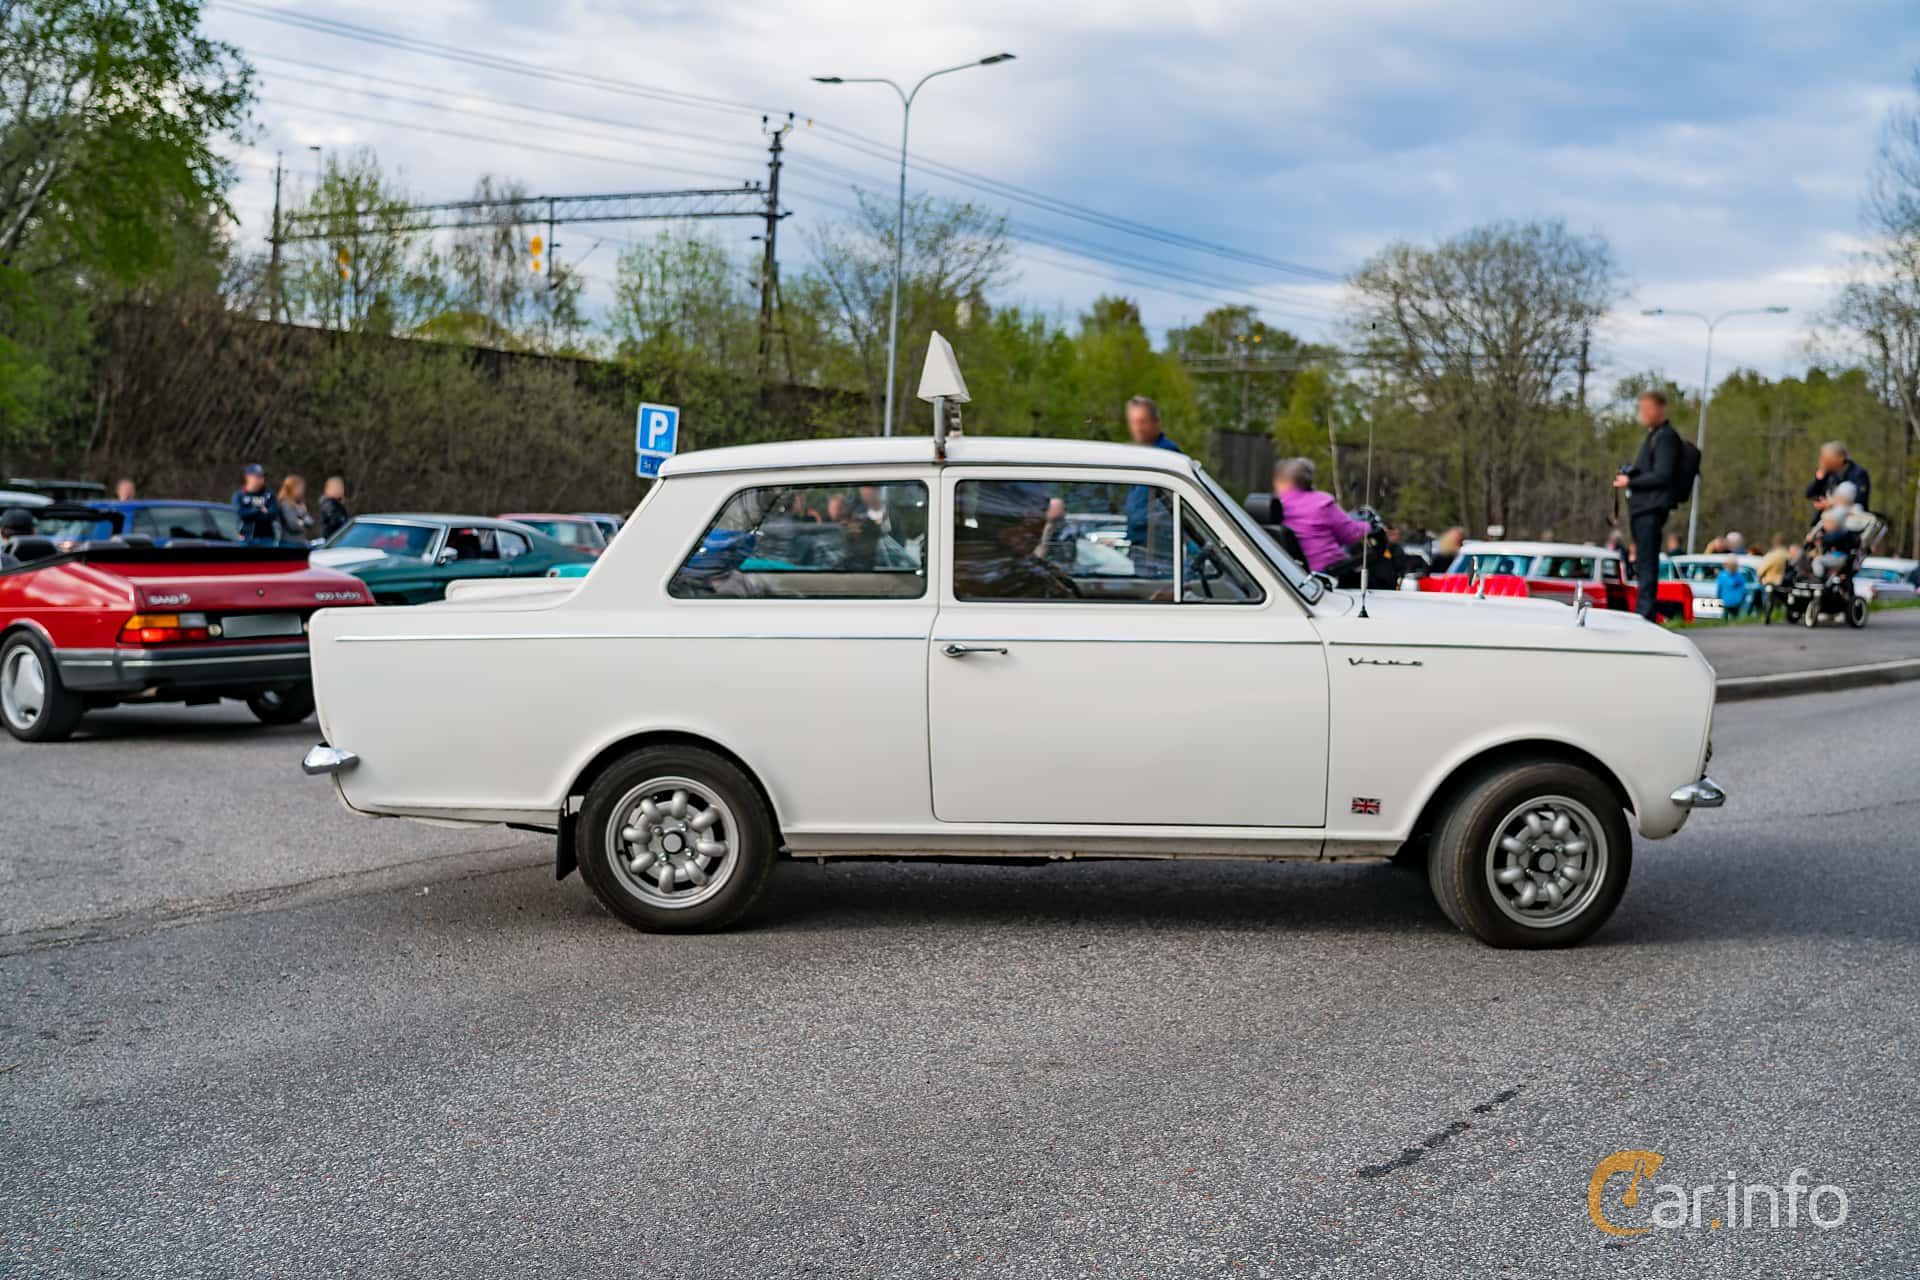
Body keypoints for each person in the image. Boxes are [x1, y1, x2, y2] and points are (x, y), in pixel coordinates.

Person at [1614, 389, 1683, 620]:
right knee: (1643, 561)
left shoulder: (1665, 437)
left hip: (1651, 509)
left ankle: (1646, 612)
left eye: (1647, 409)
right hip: (1641, 509)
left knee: (1647, 562)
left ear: (1660, 409)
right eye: (1641, 409)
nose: (1642, 414)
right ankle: (1645, 610)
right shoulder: (1653, 436)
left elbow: (1663, 475)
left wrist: (1631, 480)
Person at [1273, 457, 1371, 576]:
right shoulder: (1322, 503)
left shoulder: (1278, 506)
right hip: (1331, 572)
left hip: (1295, 573)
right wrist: (1368, 526)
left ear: (1284, 481)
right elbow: (1349, 535)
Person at [1123, 396, 1181, 561]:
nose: (1138, 428)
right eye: (1134, 422)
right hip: (1141, 543)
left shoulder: (1166, 456)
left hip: (1158, 547)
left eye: (1143, 422)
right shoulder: (1141, 455)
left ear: (1156, 422)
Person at [1807, 441, 1870, 517]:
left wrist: (1832, 504)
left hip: (1851, 520)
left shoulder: (1858, 473)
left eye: (1826, 458)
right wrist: (1818, 479)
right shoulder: (1828, 473)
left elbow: (1859, 501)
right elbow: (1810, 494)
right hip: (1827, 520)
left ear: (1841, 457)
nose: (1822, 461)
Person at [232, 463, 281, 545]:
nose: (261, 479)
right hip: (246, 537)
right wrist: (258, 510)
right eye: (257, 477)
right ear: (248, 477)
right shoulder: (240, 495)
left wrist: (252, 512)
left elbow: (273, 513)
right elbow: (241, 513)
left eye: (262, 477)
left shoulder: (268, 495)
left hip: (266, 538)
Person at [276, 475, 314, 545]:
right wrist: (303, 522)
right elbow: (293, 525)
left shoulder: (300, 504)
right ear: (291, 488)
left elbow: (310, 522)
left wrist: (301, 521)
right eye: (299, 488)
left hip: (301, 542)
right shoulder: (285, 504)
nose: (301, 491)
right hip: (289, 543)